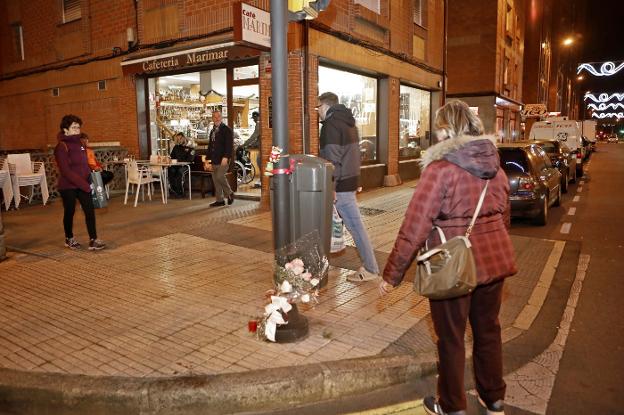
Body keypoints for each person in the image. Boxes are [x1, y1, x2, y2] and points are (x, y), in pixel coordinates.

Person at [379, 100, 517, 415]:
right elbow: (504, 219)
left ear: (448, 130)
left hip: (451, 267)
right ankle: (493, 397)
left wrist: (392, 274)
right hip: (494, 264)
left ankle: (452, 406)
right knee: (488, 330)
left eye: (439, 127)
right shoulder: (495, 167)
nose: (436, 133)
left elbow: (415, 225)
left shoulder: (440, 170)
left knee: (451, 339)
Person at [318, 92, 379, 281]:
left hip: (340, 185)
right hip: (350, 181)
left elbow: (332, 159)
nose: (317, 111)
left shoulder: (330, 125)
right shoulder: (349, 122)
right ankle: (321, 263)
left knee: (355, 226)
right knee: (327, 224)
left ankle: (371, 268)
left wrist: (332, 186)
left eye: (318, 107)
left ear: (325, 106)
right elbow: (352, 155)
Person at [54, 115, 106, 251]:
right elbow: (65, 171)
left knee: (89, 211)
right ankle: (69, 238)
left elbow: (84, 165)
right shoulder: (61, 146)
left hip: (84, 184)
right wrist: (85, 185)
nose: (77, 130)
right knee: (69, 212)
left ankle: (93, 240)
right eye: (74, 127)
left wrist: (92, 179)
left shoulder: (81, 144)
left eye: (78, 127)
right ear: (65, 129)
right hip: (68, 186)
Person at [207, 110, 234, 207]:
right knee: (215, 179)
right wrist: (208, 160)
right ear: (212, 118)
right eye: (214, 116)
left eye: (218, 116)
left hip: (223, 158)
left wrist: (226, 157)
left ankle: (229, 193)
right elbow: (210, 146)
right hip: (214, 159)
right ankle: (220, 200)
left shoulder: (226, 129)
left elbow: (229, 145)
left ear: (221, 117)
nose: (217, 118)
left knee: (219, 176)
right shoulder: (213, 131)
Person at [168, 132, 195, 197]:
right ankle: (174, 190)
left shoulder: (190, 147)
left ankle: (180, 192)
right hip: (176, 165)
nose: (179, 140)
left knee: (179, 172)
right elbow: (172, 156)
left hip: (186, 166)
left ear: (184, 138)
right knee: (170, 170)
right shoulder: (176, 147)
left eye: (180, 138)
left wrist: (180, 161)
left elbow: (190, 159)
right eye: (177, 139)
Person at [243, 111, 262, 188]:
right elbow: (257, 138)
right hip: (261, 146)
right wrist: (251, 144)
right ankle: (262, 180)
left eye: (254, 118)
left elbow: (254, 136)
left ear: (256, 117)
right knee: (260, 161)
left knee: (260, 161)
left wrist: (246, 144)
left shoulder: (259, 123)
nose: (253, 120)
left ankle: (262, 180)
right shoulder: (259, 123)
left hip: (263, 146)